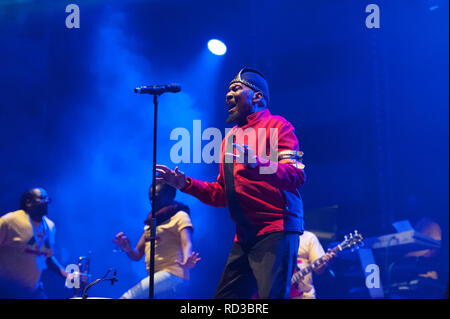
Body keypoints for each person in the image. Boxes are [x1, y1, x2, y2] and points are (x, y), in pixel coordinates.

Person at [156, 68, 306, 298]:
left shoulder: (278, 126)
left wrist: (257, 163)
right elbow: (221, 194)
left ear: (257, 96)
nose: (228, 95)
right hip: (245, 236)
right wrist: (185, 183)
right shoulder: (229, 139)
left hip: (277, 229)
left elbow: (296, 175)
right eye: (227, 90)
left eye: (236, 89)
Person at [114, 181, 200, 299]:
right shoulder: (152, 222)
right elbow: (137, 254)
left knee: (128, 297)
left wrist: (187, 259)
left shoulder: (180, 215)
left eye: (156, 197)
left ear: (169, 195)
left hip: (173, 275)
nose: (152, 202)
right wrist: (128, 249)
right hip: (157, 278)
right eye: (150, 199)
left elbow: (186, 242)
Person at [0, 188, 68, 298]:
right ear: (28, 202)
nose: (46, 202)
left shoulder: (50, 226)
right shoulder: (9, 222)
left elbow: (48, 258)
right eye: (41, 199)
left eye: (47, 199)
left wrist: (67, 274)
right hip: (8, 291)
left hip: (34, 290)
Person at [290, 231, 336, 299]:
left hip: (304, 295)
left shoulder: (309, 237)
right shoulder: (275, 237)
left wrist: (326, 261)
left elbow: (318, 271)